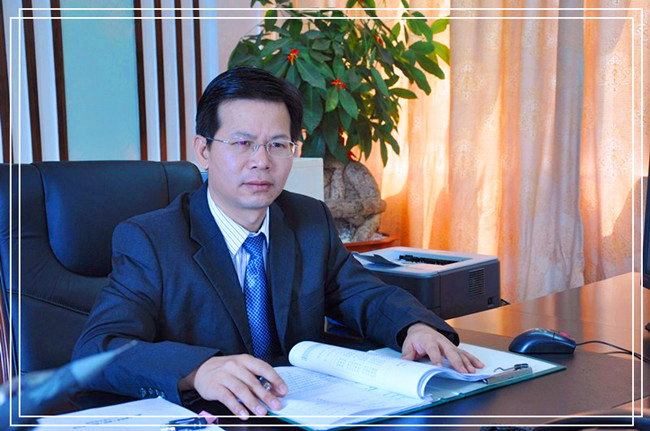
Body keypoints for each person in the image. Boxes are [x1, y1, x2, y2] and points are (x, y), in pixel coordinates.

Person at [72, 67, 483, 420]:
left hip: (303, 412)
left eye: (278, 145)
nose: (262, 161)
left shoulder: (308, 218)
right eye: (242, 143)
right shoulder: (150, 240)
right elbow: (96, 351)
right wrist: (197, 370)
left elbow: (361, 294)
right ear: (204, 151)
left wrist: (414, 326)